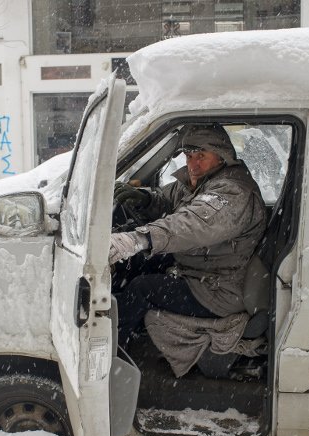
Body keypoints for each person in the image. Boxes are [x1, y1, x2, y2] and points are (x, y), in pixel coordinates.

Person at [109, 123, 266, 350]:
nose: (193, 164)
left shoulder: (232, 191)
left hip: (218, 289)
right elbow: (169, 199)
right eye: (189, 155)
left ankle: (114, 352)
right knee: (139, 262)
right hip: (202, 271)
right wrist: (146, 200)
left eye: (201, 155)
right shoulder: (202, 181)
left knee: (141, 288)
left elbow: (191, 224)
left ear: (221, 155)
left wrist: (138, 239)